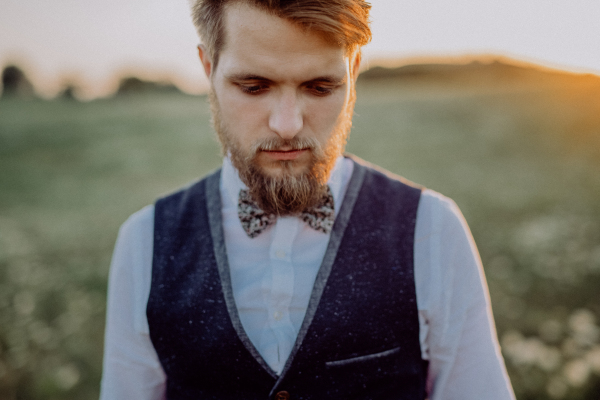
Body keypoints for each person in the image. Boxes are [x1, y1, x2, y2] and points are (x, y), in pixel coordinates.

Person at [100, 1, 515, 399]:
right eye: (254, 86)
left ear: (352, 73)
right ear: (208, 69)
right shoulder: (145, 241)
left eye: (319, 87)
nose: (287, 124)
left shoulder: (432, 229)